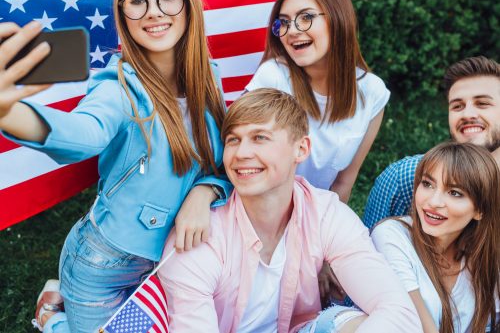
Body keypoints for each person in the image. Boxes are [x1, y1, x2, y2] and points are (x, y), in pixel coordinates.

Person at [0, 0, 231, 333]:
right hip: (103, 266)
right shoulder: (120, 87)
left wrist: (205, 191)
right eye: (137, 1)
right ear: (123, 15)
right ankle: (52, 318)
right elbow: (84, 134)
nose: (154, 11)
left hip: (174, 261)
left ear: (188, 3)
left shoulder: (210, 78)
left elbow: (222, 162)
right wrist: (8, 113)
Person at [158, 88, 422, 333]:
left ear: (301, 149)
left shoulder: (325, 213)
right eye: (233, 140)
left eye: (260, 137)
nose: (242, 153)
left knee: (351, 323)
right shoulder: (200, 234)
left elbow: (398, 311)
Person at [245, 0, 390, 204]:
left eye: (306, 17)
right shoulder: (273, 78)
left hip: (321, 215)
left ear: (337, 18)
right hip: (264, 209)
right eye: (283, 22)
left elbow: (343, 184)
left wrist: (321, 232)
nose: (291, 31)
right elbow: (242, 163)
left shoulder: (372, 92)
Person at [371, 142, 500, 333]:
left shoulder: (486, 263)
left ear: (480, 210)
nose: (433, 202)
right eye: (427, 184)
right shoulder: (392, 235)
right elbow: (419, 325)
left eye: (454, 193)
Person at [363, 56, 500, 229]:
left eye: (482, 103)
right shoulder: (405, 178)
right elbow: (365, 249)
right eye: (457, 106)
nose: (467, 114)